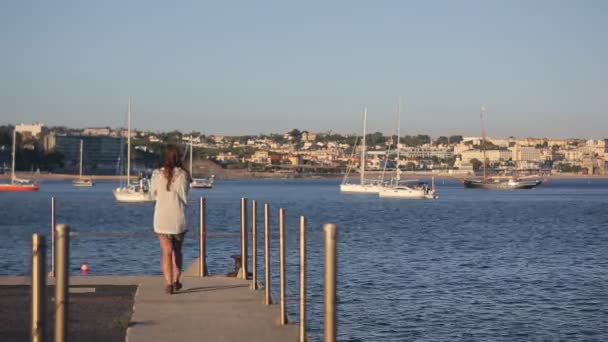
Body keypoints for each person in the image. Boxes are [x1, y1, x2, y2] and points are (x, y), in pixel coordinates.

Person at [150, 144, 190, 294]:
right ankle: (176, 280)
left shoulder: (156, 174)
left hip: (161, 218)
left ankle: (168, 283)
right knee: (177, 251)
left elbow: (153, 194)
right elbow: (184, 196)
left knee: (166, 251)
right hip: (178, 217)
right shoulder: (183, 175)